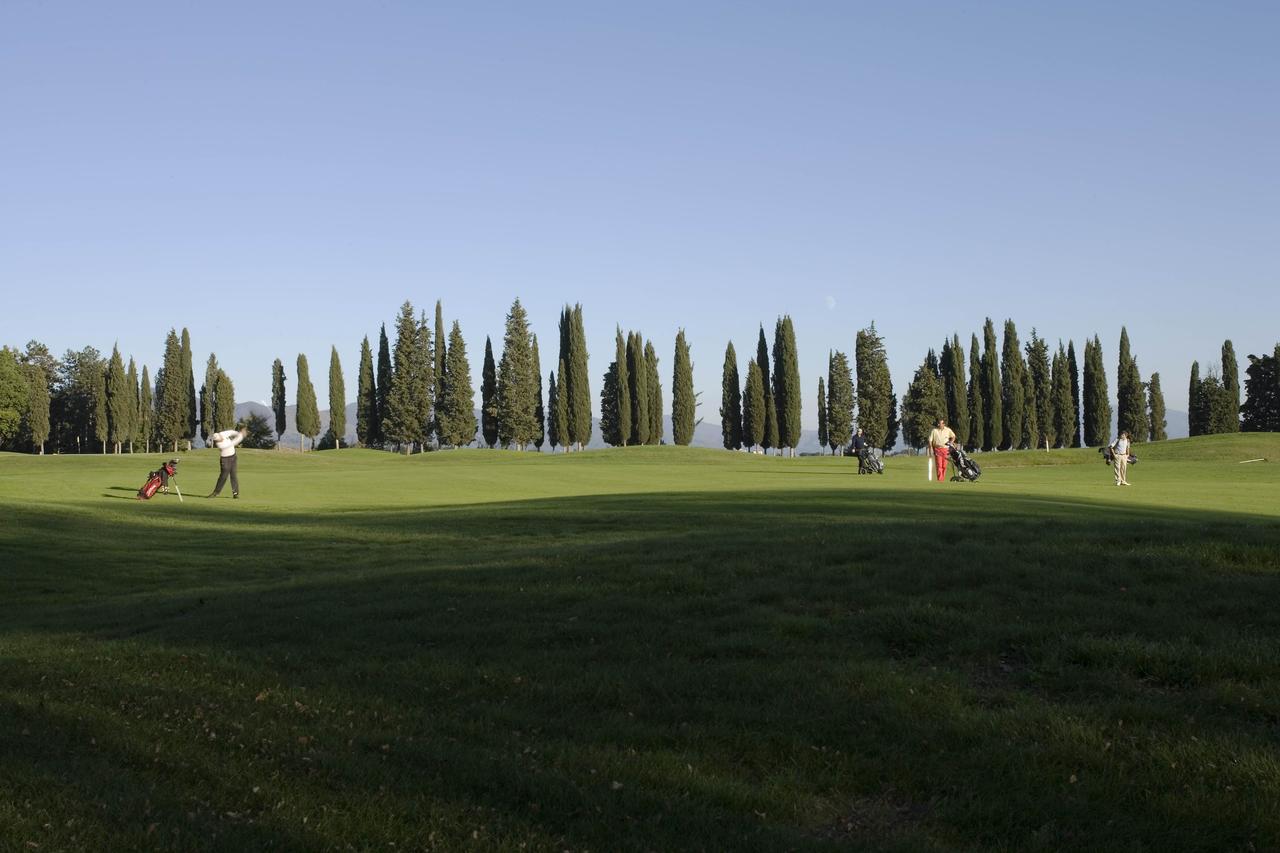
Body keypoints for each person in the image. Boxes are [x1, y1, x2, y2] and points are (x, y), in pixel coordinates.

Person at [207, 426, 246, 498]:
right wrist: (241, 435)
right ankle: (216, 492)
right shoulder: (220, 445)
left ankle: (235, 493)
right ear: (216, 441)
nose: (221, 439)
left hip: (233, 457)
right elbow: (234, 442)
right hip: (225, 460)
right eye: (219, 439)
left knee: (234, 475)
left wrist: (238, 433)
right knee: (223, 476)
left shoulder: (222, 434)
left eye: (220, 437)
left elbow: (231, 432)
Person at [927, 418, 956, 483]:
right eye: (938, 423)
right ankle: (940, 480)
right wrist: (930, 449)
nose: (938, 424)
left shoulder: (948, 430)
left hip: (946, 449)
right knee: (939, 465)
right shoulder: (934, 431)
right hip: (937, 449)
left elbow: (953, 436)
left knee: (944, 466)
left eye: (940, 423)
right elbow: (930, 440)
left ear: (943, 424)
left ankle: (942, 478)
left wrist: (951, 442)